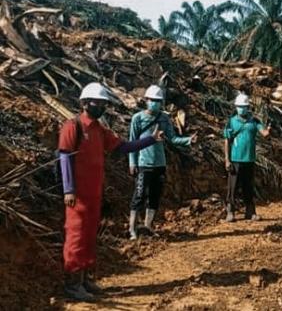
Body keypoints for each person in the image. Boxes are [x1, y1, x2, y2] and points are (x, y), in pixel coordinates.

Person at [58, 82, 163, 301]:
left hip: (93, 194)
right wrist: (68, 189)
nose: (102, 107)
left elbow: (122, 147)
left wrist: (150, 140)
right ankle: (72, 284)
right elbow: (65, 157)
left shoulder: (99, 130)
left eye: (104, 104)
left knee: (88, 237)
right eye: (98, 103)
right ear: (85, 103)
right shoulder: (73, 126)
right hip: (77, 196)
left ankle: (84, 279)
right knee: (76, 236)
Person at [127, 85, 197, 240]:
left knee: (154, 196)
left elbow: (172, 138)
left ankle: (147, 227)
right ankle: (132, 229)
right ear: (146, 100)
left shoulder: (164, 118)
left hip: (159, 164)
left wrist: (188, 140)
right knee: (139, 196)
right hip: (144, 163)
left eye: (158, 101)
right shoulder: (137, 119)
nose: (155, 103)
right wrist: (132, 162)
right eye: (152, 100)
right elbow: (132, 142)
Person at [223, 93, 271, 222]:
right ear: (236, 107)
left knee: (248, 187)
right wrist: (227, 159)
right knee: (232, 187)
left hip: (249, 159)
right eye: (239, 106)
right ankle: (230, 211)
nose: (241, 109)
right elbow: (227, 140)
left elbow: (263, 132)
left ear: (248, 107)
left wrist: (268, 132)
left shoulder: (254, 121)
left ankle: (250, 212)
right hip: (235, 160)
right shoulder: (231, 122)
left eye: (243, 106)